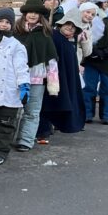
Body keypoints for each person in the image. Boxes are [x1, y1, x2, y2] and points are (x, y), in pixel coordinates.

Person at [0, 8, 29, 166]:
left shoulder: (17, 45)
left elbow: (21, 66)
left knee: (5, 126)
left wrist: (24, 85)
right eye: (1, 21)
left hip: (8, 91)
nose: (3, 25)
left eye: (7, 22)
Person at [12, 0, 58, 151]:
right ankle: (6, 138)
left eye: (36, 13)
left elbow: (52, 61)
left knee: (32, 111)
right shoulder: (16, 32)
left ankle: (25, 140)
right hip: (16, 79)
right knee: (13, 110)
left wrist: (53, 84)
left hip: (37, 80)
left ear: (40, 16)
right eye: (29, 12)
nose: (32, 15)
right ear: (25, 14)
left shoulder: (44, 35)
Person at [37, 11, 86, 140]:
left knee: (51, 104)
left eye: (73, 26)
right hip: (50, 78)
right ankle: (43, 131)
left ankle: (46, 129)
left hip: (60, 80)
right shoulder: (53, 36)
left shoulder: (66, 42)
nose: (69, 27)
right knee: (47, 104)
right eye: (68, 24)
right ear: (61, 24)